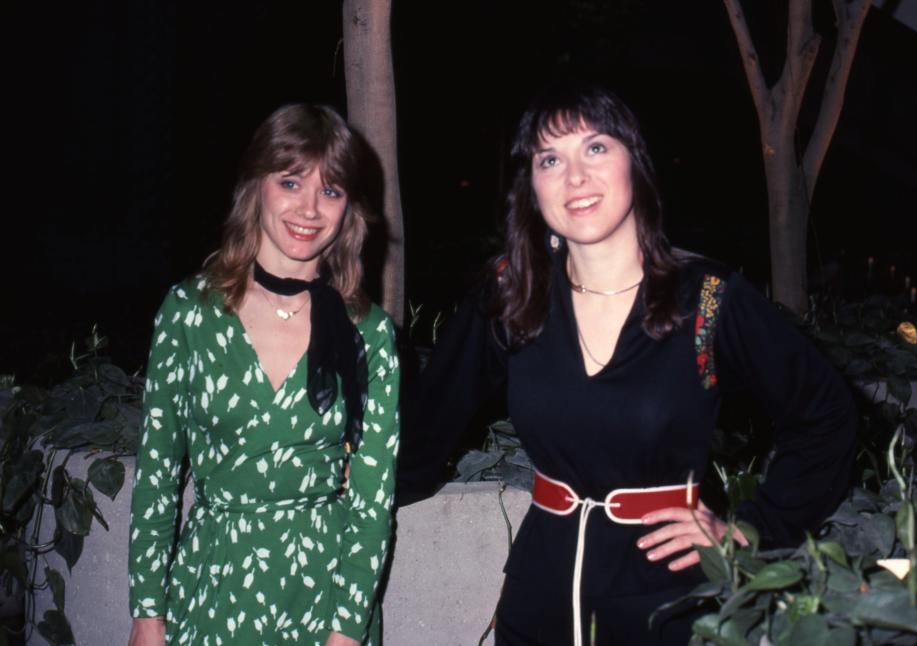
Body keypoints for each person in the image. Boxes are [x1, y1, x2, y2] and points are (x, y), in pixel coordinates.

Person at [397, 83, 856, 645]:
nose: (575, 177)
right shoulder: (512, 294)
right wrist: (332, 486)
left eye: (595, 148)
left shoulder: (708, 299)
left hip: (669, 604)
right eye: (550, 159)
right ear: (531, 186)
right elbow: (427, 425)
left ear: (634, 163)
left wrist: (753, 529)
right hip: (539, 595)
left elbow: (826, 416)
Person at [127, 104, 399, 646]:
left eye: (331, 190)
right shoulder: (189, 313)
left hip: (322, 598)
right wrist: (147, 613)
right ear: (257, 187)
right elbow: (157, 473)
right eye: (291, 181)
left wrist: (347, 632)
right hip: (210, 591)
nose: (309, 208)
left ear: (349, 209)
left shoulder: (368, 333)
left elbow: (373, 502)